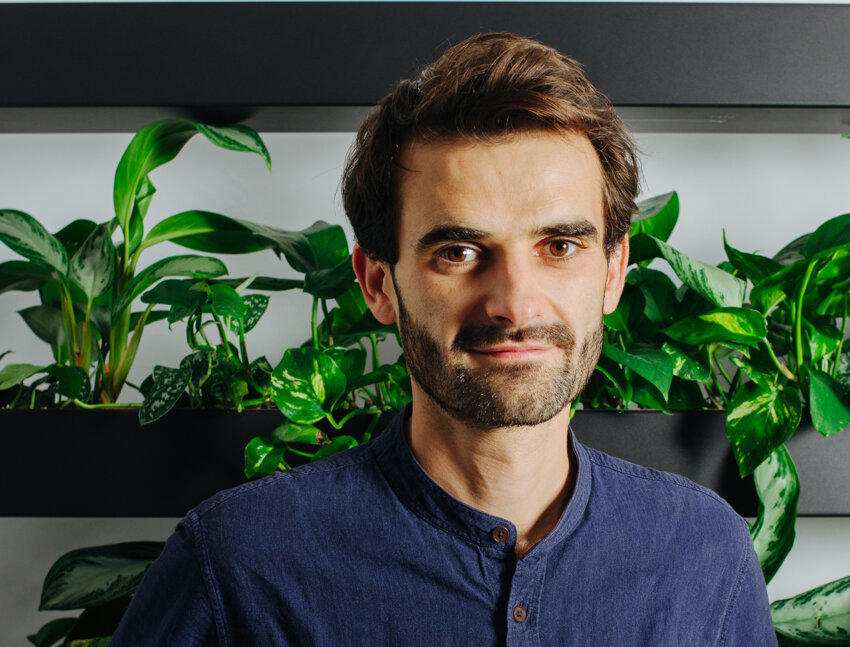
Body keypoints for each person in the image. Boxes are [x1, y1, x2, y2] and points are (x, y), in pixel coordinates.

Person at [112, 32, 776, 646]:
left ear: (612, 272)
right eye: (458, 252)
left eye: (560, 246)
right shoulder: (235, 561)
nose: (514, 303)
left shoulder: (704, 554)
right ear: (377, 282)